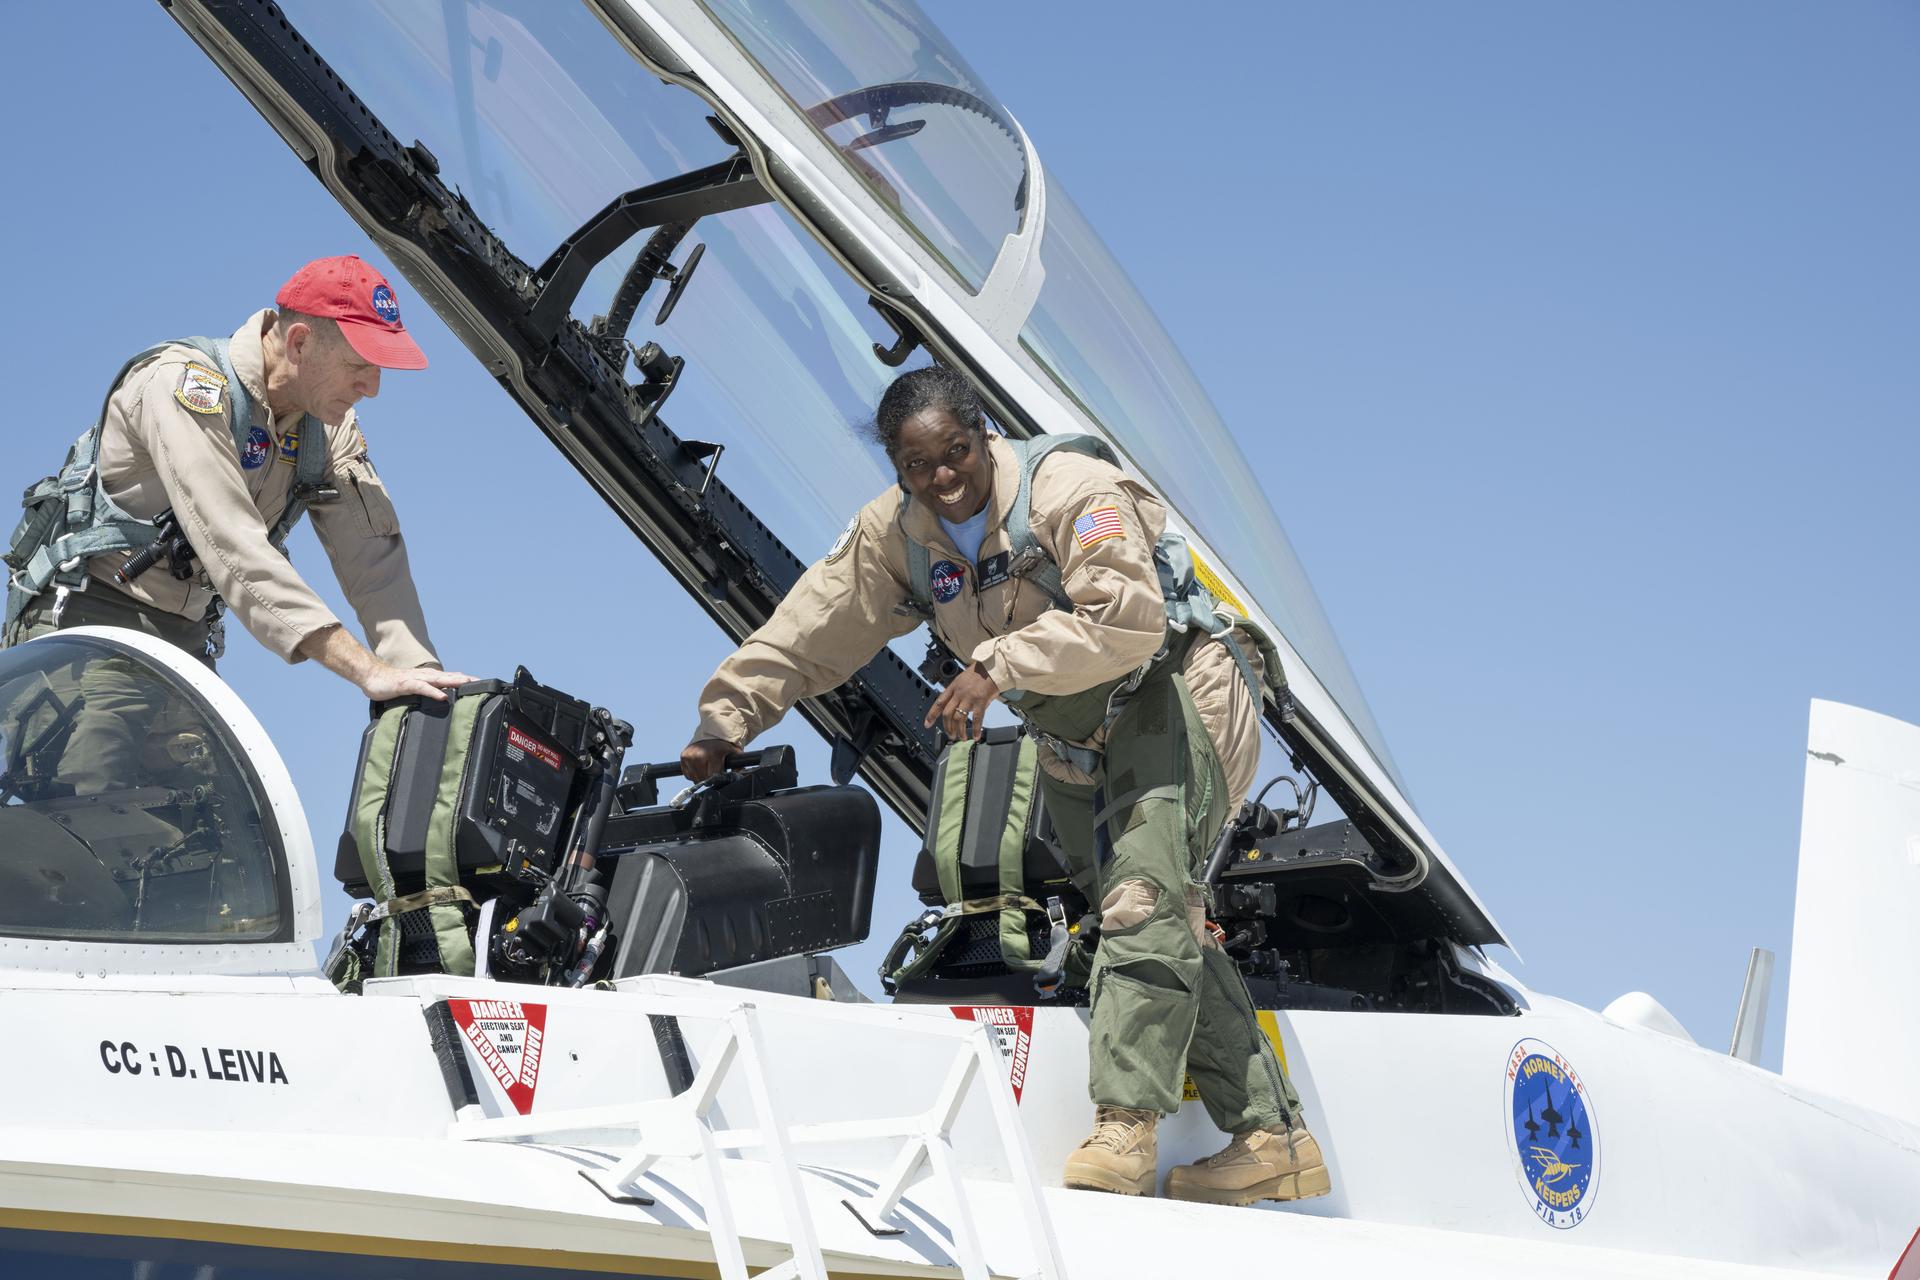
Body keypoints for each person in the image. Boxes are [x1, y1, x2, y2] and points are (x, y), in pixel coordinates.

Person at [682, 366, 1330, 1204]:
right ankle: (1272, 1138)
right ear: (897, 467)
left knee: (1142, 903)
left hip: (1174, 693)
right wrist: (724, 719)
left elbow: (1129, 622)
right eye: (919, 466)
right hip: (1069, 733)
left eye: (956, 452)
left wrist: (996, 661)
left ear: (983, 433)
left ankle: (1127, 1131)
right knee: (1148, 915)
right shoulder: (900, 536)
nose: (943, 478)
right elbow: (813, 626)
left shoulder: (1071, 487)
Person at [2, 255, 471, 793]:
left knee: (220, 822)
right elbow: (232, 543)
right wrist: (365, 670)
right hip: (92, 625)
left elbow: (375, 561)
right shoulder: (184, 384)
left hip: (187, 640)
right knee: (87, 815)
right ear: (299, 343)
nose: (374, 386)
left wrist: (420, 685)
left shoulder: (328, 426)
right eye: (361, 364)